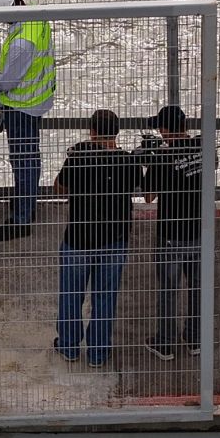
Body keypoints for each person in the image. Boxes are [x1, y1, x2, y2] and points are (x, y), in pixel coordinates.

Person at [53, 110, 143, 369]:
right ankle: (98, 353)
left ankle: (69, 347)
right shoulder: (127, 161)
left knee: (71, 295)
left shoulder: (80, 155)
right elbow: (141, 187)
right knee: (105, 297)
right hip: (114, 240)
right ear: (117, 132)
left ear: (92, 131)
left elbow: (59, 187)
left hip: (79, 239)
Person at [0, 0, 55, 242]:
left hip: (21, 107)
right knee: (30, 158)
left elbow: (7, 82)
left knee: (23, 161)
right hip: (37, 100)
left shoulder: (21, 44)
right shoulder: (37, 18)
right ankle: (27, 202)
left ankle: (22, 218)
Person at [139, 104, 207, 360]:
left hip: (171, 233)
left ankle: (165, 343)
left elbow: (148, 196)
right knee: (197, 287)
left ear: (164, 130)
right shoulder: (202, 146)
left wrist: (151, 158)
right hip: (200, 229)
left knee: (168, 289)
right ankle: (195, 338)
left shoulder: (162, 157)